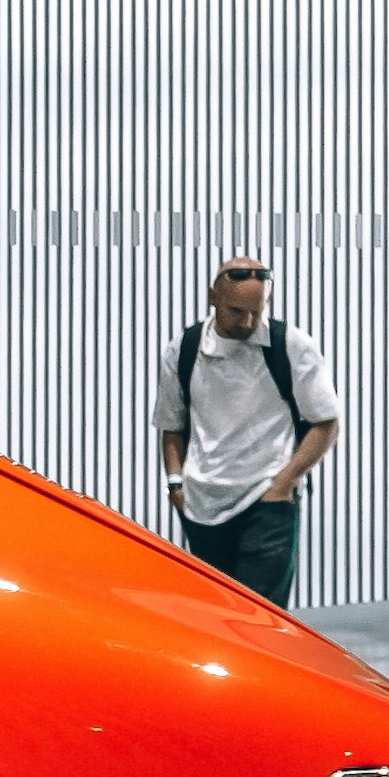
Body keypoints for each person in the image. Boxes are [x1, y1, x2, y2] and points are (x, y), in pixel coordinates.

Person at [152, 254, 338, 609]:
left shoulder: (292, 345)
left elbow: (325, 421)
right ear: (213, 297)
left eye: (258, 310)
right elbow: (171, 426)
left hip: (267, 500)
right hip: (202, 502)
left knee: (263, 617)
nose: (249, 321)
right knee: (215, 612)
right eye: (237, 311)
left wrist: (284, 483)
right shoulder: (184, 350)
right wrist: (176, 484)